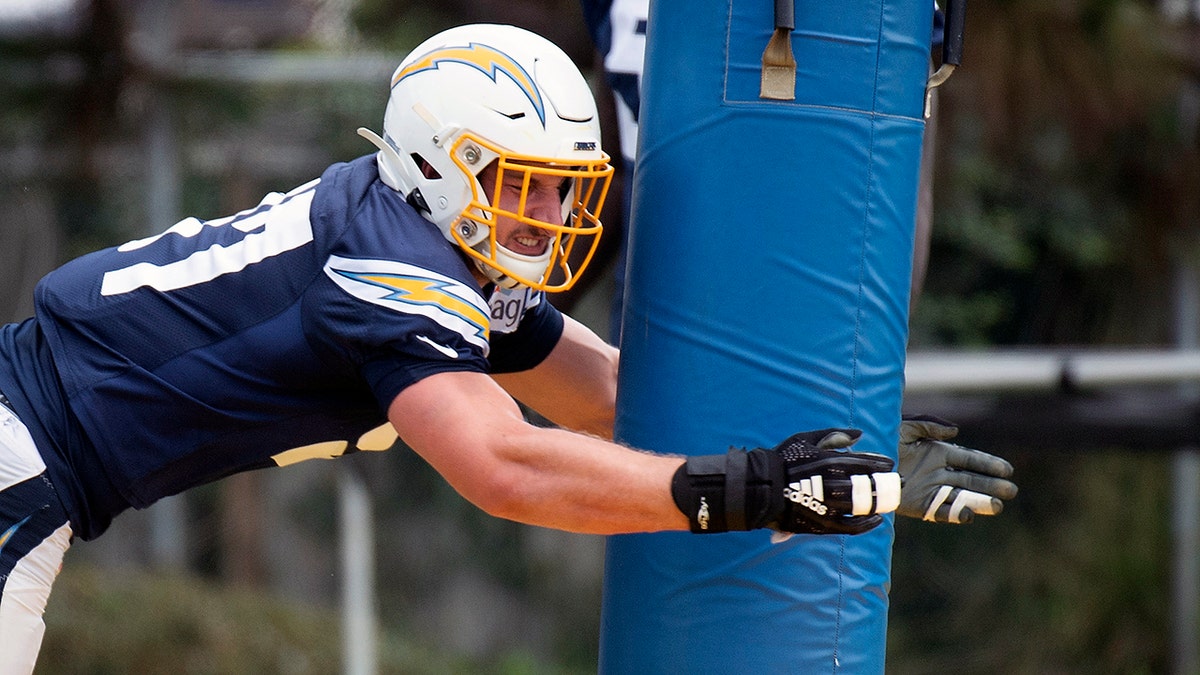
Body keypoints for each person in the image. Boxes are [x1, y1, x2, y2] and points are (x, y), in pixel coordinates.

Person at [0, 23, 1014, 672]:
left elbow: (620, 399)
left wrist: (851, 459)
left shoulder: (425, 237)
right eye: (518, 181)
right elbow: (504, 467)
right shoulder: (395, 270)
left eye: (560, 184)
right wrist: (753, 491)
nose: (547, 210)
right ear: (441, 163)